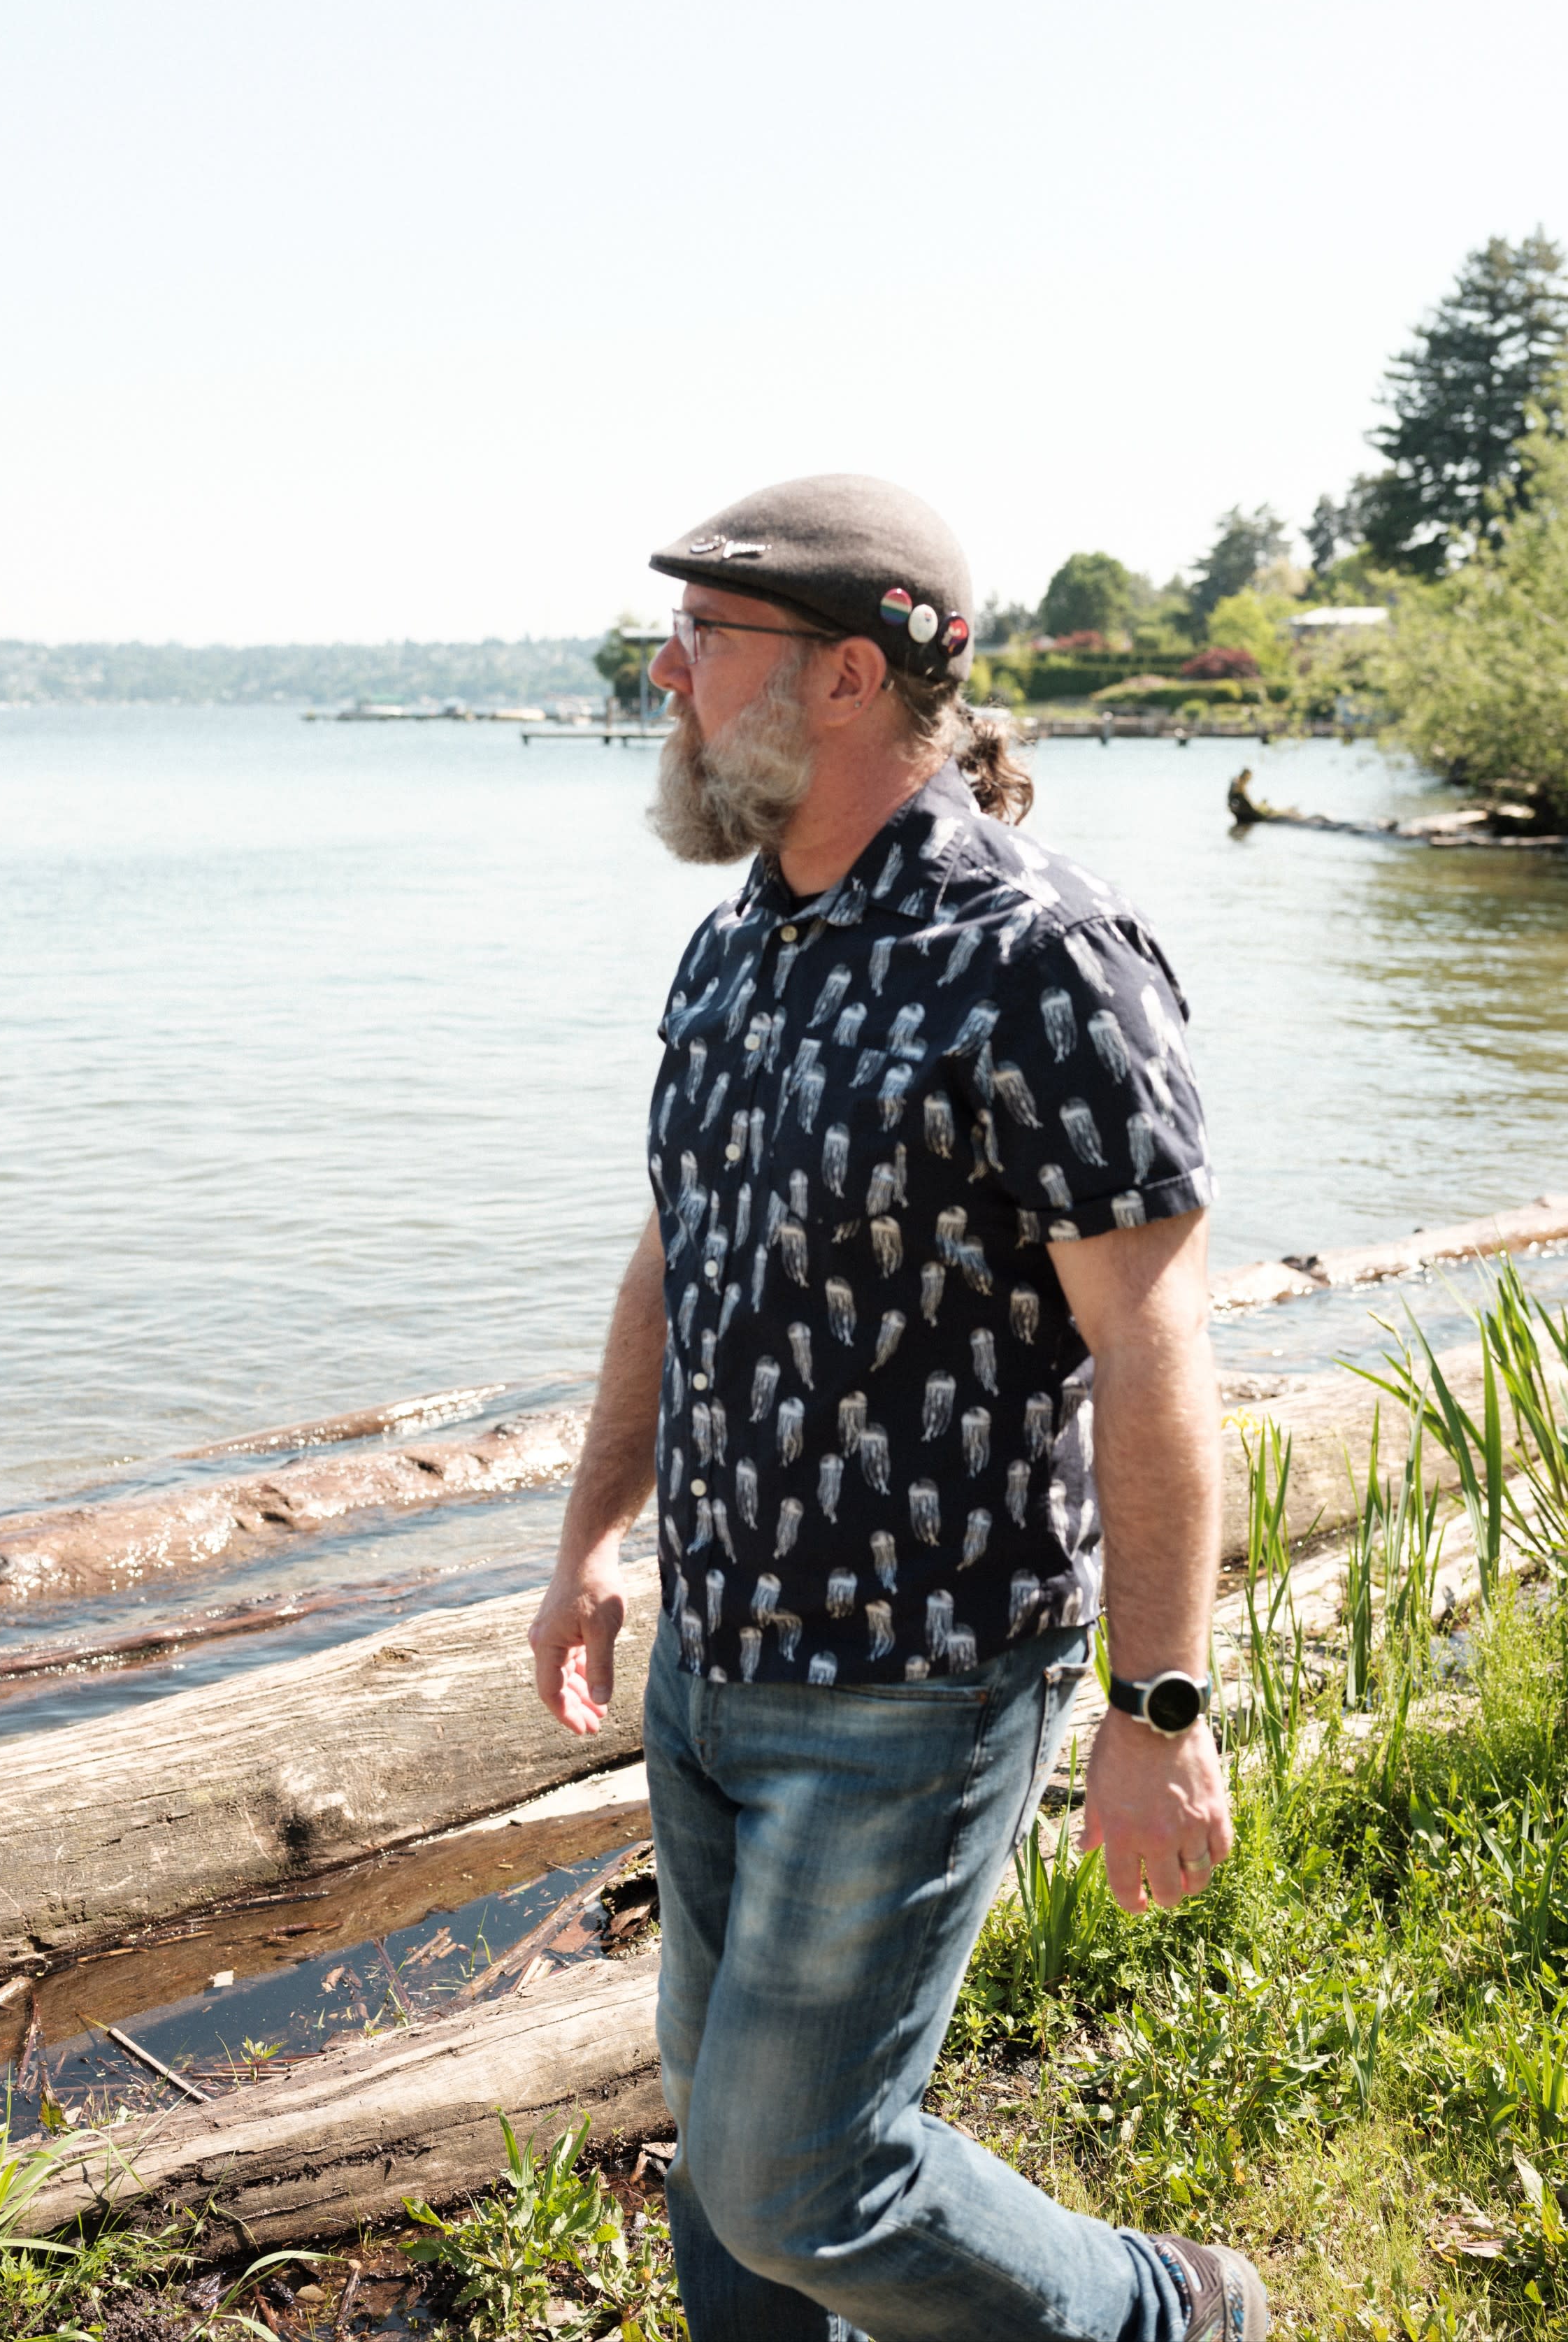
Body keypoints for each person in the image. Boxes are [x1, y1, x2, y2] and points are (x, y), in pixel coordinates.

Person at [528, 474, 1267, 2341]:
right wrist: (589, 1542)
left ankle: (1169, 2315)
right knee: (724, 2155)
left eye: (706, 639)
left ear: (850, 676)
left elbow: (1157, 1354)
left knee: (798, 2175)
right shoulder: (736, 955)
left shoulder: (1040, 962)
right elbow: (668, 1272)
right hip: (716, 1657)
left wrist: (1159, 1707)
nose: (663, 672)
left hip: (914, 1687)